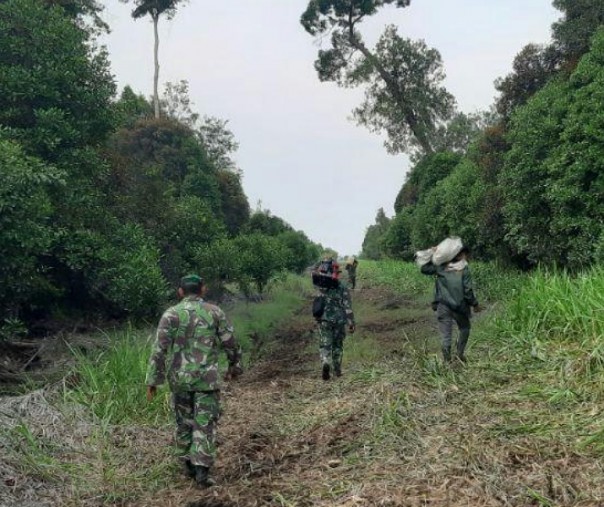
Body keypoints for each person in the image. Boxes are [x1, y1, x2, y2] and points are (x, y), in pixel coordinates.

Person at [145, 274, 242, 487]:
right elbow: (230, 343)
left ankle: (187, 464)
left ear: (180, 291)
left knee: (184, 422)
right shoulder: (214, 312)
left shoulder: (171, 314)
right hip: (207, 381)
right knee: (205, 424)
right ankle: (202, 472)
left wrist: (153, 381)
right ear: (203, 289)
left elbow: (159, 350)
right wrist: (235, 366)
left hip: (180, 380)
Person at [420, 247, 481, 363]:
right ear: (460, 255)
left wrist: (430, 254)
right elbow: (468, 291)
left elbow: (424, 269)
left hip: (443, 305)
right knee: (465, 328)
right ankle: (459, 354)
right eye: (465, 255)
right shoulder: (464, 268)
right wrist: (475, 304)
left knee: (446, 334)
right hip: (459, 306)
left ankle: (447, 361)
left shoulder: (441, 266)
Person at [313, 261, 355, 380]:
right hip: (339, 321)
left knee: (325, 344)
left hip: (324, 320)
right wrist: (351, 323)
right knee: (337, 345)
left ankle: (326, 361)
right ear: (337, 273)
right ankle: (337, 370)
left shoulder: (322, 286)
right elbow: (348, 307)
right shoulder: (342, 287)